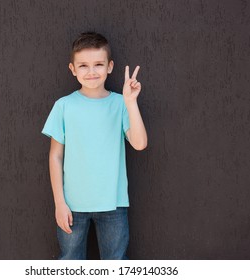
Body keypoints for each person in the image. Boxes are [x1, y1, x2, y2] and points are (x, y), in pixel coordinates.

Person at [41, 32, 147, 260]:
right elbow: (55, 157)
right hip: (72, 205)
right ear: (72, 69)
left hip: (113, 203)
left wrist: (131, 102)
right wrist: (59, 203)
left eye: (98, 64)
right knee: (70, 261)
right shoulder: (64, 106)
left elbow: (139, 144)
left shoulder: (120, 103)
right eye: (84, 66)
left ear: (110, 67)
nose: (91, 72)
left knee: (116, 263)